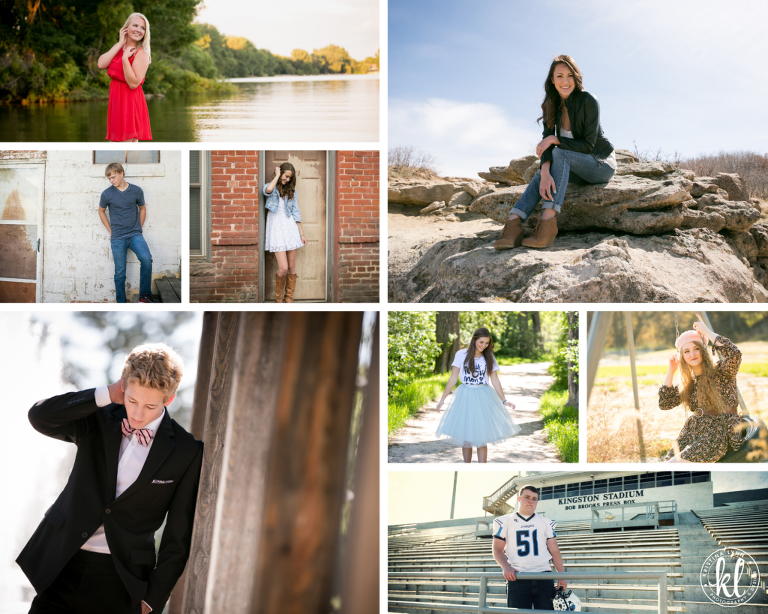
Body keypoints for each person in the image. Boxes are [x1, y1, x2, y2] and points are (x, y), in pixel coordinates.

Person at [17, 343, 203, 614]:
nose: (138, 414)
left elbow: (178, 536)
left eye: (150, 406)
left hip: (122, 580)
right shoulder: (98, 419)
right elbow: (40, 417)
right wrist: (108, 394)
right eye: (132, 401)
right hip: (62, 563)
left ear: (169, 399)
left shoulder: (186, 451)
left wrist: (152, 600)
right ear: (123, 389)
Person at [494, 54, 616, 250]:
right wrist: (544, 173)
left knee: (560, 152)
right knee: (547, 168)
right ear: (552, 80)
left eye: (569, 75)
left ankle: (548, 223)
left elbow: (587, 146)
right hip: (573, 165)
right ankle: (514, 224)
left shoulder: (588, 100)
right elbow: (548, 148)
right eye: (559, 76)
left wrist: (554, 139)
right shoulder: (551, 105)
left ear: (576, 77)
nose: (565, 81)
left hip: (599, 164)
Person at [659, 314, 745, 463]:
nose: (692, 354)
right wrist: (671, 371)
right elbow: (665, 403)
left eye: (696, 349)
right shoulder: (689, 384)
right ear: (682, 357)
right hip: (692, 432)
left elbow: (735, 354)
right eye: (686, 351)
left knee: (674, 464)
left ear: (703, 351)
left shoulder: (721, 372)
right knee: (666, 463)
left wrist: (707, 333)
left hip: (718, 431)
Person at [435, 327, 521, 463]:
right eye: (481, 342)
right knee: (467, 437)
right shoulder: (461, 354)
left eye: (487, 343)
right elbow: (453, 378)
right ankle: (467, 465)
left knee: (482, 437)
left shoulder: (489, 356)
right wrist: (442, 399)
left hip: (483, 396)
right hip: (465, 396)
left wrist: (504, 400)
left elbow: (495, 380)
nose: (484, 346)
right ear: (474, 340)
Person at [492, 485, 566, 611]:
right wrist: (506, 567)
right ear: (519, 499)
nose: (530, 501)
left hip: (544, 577)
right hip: (518, 577)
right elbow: (497, 549)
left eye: (534, 498)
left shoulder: (545, 522)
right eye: (527, 497)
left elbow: (554, 550)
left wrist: (562, 575)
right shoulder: (504, 521)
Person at [98, 162, 154, 303]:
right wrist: (110, 231)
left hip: (135, 235)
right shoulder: (106, 194)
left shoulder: (136, 191)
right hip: (117, 237)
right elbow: (101, 211)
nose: (112, 181)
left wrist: (138, 228)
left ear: (121, 173)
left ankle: (145, 296)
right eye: (109, 178)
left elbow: (142, 208)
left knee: (147, 259)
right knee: (120, 273)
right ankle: (121, 302)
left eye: (113, 177)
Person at [98, 13, 153, 142]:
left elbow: (133, 83)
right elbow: (101, 64)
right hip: (117, 102)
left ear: (145, 33)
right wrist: (120, 44)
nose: (139, 30)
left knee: (123, 146)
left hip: (130, 102)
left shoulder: (142, 53)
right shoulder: (119, 48)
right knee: (119, 145)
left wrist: (124, 59)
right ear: (126, 28)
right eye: (135, 25)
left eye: (142, 28)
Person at [264, 162, 307, 303]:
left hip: (290, 229)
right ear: (280, 172)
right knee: (283, 268)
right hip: (276, 229)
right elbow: (268, 190)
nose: (287, 180)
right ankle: (279, 301)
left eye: (290, 178)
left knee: (292, 268)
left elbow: (296, 212)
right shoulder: (270, 186)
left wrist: (301, 234)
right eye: (286, 176)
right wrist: (277, 176)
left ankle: (288, 301)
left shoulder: (292, 191)